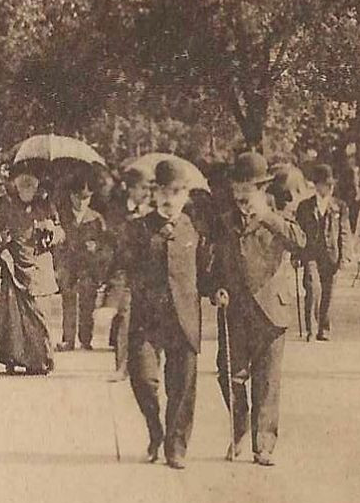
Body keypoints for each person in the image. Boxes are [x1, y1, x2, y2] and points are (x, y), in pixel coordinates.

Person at [208, 151, 308, 466]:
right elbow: (214, 264)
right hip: (235, 310)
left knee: (266, 381)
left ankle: (262, 444)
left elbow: (301, 242)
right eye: (237, 191)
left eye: (247, 191)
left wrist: (266, 216)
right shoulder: (224, 222)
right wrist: (216, 288)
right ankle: (239, 426)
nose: (241, 198)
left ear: (262, 189)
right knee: (229, 375)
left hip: (271, 310)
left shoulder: (279, 217)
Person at [109, 158, 208, 468]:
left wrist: (220, 289)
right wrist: (111, 303)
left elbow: (208, 269)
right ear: (154, 192)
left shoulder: (194, 229)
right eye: (164, 190)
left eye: (177, 191)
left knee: (182, 384)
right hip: (147, 318)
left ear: (186, 195)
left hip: (184, 319)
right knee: (143, 379)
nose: (169, 197)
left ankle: (176, 447)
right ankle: (156, 431)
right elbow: (121, 268)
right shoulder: (138, 228)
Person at [0, 163, 64, 375]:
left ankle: (41, 360)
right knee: (12, 317)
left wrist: (51, 234)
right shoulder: (8, 208)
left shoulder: (46, 207)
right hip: (14, 267)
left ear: (37, 188)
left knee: (39, 315)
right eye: (23, 188)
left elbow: (61, 233)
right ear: (17, 189)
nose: (27, 192)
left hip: (39, 267)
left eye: (31, 188)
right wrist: (2, 247)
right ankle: (13, 357)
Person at [103, 165, 154, 378]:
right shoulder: (116, 211)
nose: (147, 193)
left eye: (149, 188)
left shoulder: (152, 212)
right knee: (124, 317)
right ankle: (121, 367)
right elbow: (111, 241)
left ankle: (145, 366)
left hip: (147, 273)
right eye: (143, 187)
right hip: (123, 271)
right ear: (131, 189)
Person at [55, 175, 108, 351]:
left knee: (87, 304)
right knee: (68, 302)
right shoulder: (62, 217)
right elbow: (54, 242)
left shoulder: (96, 218)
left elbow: (106, 244)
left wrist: (97, 247)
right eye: (78, 197)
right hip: (68, 266)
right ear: (71, 195)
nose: (82, 202)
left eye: (86, 198)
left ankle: (86, 339)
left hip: (88, 268)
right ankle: (68, 339)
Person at [295, 164, 347, 341]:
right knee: (312, 288)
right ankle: (310, 328)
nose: (330, 187)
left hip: (331, 255)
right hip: (310, 254)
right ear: (317, 185)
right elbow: (298, 232)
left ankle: (323, 329)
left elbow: (344, 232)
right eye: (326, 184)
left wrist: (344, 256)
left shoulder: (340, 206)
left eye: (331, 184)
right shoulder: (304, 206)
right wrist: (296, 255)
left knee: (328, 292)